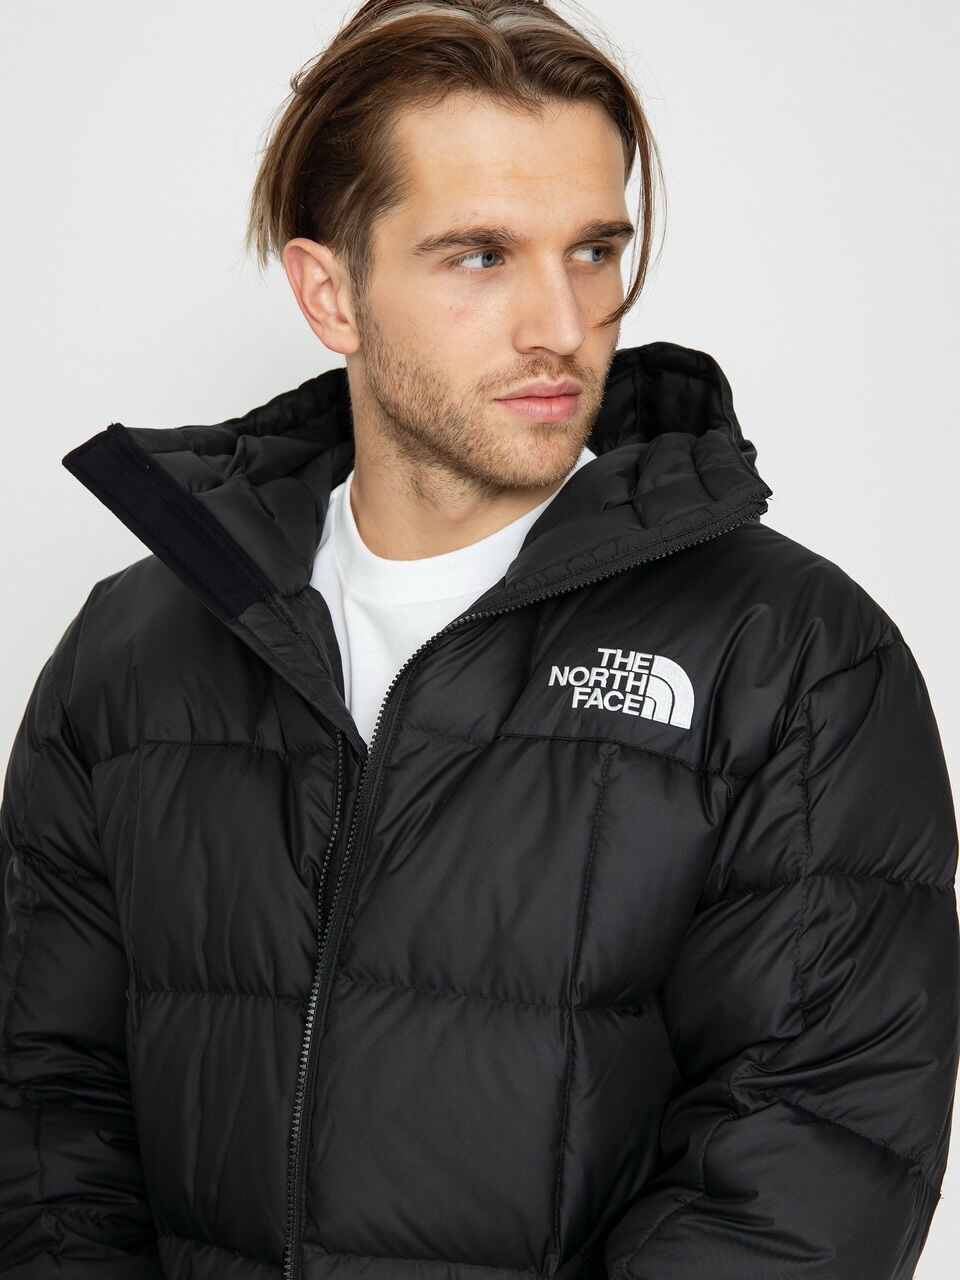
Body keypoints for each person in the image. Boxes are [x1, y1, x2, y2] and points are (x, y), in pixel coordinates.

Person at [1, 1, 957, 1276]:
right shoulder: (135, 650)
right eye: (480, 256)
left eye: (595, 250)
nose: (560, 322)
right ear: (330, 292)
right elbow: (43, 1112)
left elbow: (809, 1165)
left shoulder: (790, 658)